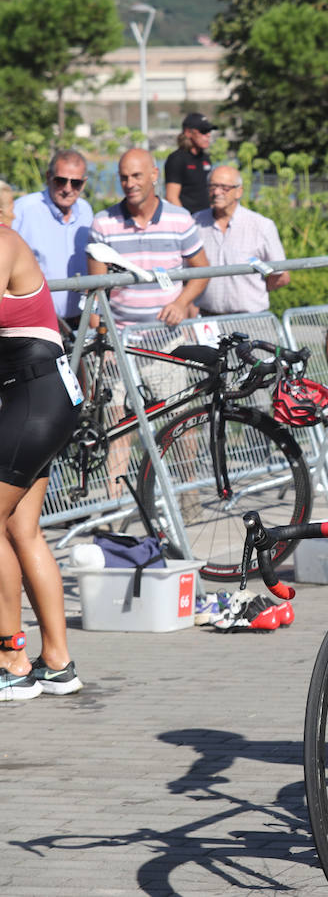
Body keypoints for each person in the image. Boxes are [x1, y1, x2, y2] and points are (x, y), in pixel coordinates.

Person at [0, 226, 83, 700]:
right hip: (39, 400)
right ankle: (57, 662)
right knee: (20, 529)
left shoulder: (2, 241)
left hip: (36, 399)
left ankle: (10, 660)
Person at [87, 149, 210, 327]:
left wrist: (181, 303)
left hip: (170, 334)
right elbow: (94, 289)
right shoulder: (103, 223)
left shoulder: (181, 219)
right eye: (124, 177)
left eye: (136, 176)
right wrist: (100, 341)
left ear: (154, 175)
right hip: (121, 338)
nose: (129, 184)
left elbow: (203, 270)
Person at [193, 166, 290, 315]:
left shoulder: (261, 226)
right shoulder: (196, 222)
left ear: (239, 191)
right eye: (213, 186)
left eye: (225, 187)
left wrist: (251, 291)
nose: (217, 192)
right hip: (208, 319)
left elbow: (281, 276)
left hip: (250, 319)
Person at [12, 149, 92, 324]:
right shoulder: (23, 210)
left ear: (83, 183)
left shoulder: (86, 211)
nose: (67, 189)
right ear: (49, 176)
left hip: (78, 322)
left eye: (75, 183)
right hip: (34, 321)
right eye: (61, 180)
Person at [164, 113, 216, 214]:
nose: (208, 135)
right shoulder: (176, 159)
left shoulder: (206, 158)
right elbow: (171, 197)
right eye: (203, 131)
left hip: (205, 220)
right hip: (187, 220)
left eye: (209, 131)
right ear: (188, 132)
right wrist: (187, 221)